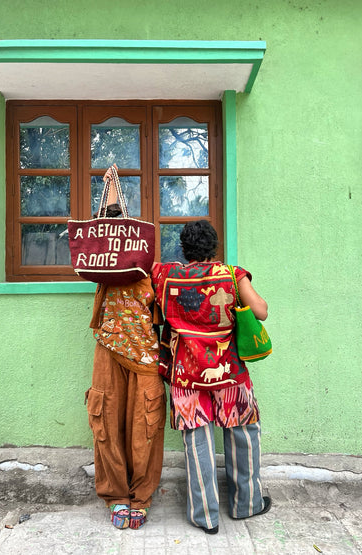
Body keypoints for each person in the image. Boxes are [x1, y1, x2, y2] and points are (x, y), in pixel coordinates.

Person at [151, 219, 271, 534]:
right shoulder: (232, 275)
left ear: (185, 249)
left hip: (187, 375)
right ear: (214, 248)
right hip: (230, 372)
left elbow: (142, 268)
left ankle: (206, 516)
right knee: (244, 433)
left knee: (196, 439)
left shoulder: (167, 276)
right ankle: (247, 504)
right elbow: (260, 311)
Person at [86, 166, 166, 530]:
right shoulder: (103, 263)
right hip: (109, 348)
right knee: (105, 421)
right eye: (108, 225)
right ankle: (116, 495)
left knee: (144, 428)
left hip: (146, 356)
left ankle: (141, 496)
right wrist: (111, 189)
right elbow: (102, 229)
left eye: (121, 226)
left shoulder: (151, 266)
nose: (114, 231)